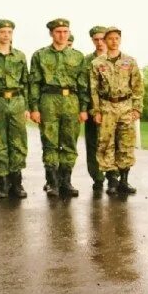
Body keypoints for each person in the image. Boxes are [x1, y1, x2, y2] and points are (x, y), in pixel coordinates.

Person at [29, 18, 89, 197]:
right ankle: (52, 182)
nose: (62, 35)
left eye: (65, 31)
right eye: (58, 32)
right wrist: (34, 107)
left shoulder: (78, 56)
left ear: (69, 33)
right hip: (49, 100)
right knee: (50, 143)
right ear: (51, 33)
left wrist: (84, 107)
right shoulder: (40, 55)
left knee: (69, 142)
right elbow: (34, 83)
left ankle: (66, 181)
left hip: (71, 100)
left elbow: (83, 84)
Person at [89, 27, 143, 195]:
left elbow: (138, 87)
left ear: (120, 40)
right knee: (107, 144)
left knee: (126, 144)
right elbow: (93, 89)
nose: (114, 41)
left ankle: (124, 181)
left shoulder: (130, 61)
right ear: (105, 41)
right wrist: (96, 111)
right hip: (106, 106)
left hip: (126, 107)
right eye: (110, 38)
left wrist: (137, 108)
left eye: (117, 38)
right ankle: (112, 180)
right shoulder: (97, 63)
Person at [0, 19, 29, 199]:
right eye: (2, 32)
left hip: (17, 101)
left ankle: (16, 182)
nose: (6, 35)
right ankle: (2, 181)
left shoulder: (20, 56)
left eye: (9, 32)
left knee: (18, 143)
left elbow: (26, 83)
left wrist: (27, 107)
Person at [82, 26, 108, 191]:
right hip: (93, 108)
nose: (100, 42)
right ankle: (97, 177)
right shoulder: (86, 61)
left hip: (114, 108)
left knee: (114, 143)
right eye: (96, 39)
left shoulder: (119, 59)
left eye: (102, 38)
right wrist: (85, 109)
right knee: (93, 144)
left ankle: (114, 178)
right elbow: (83, 87)